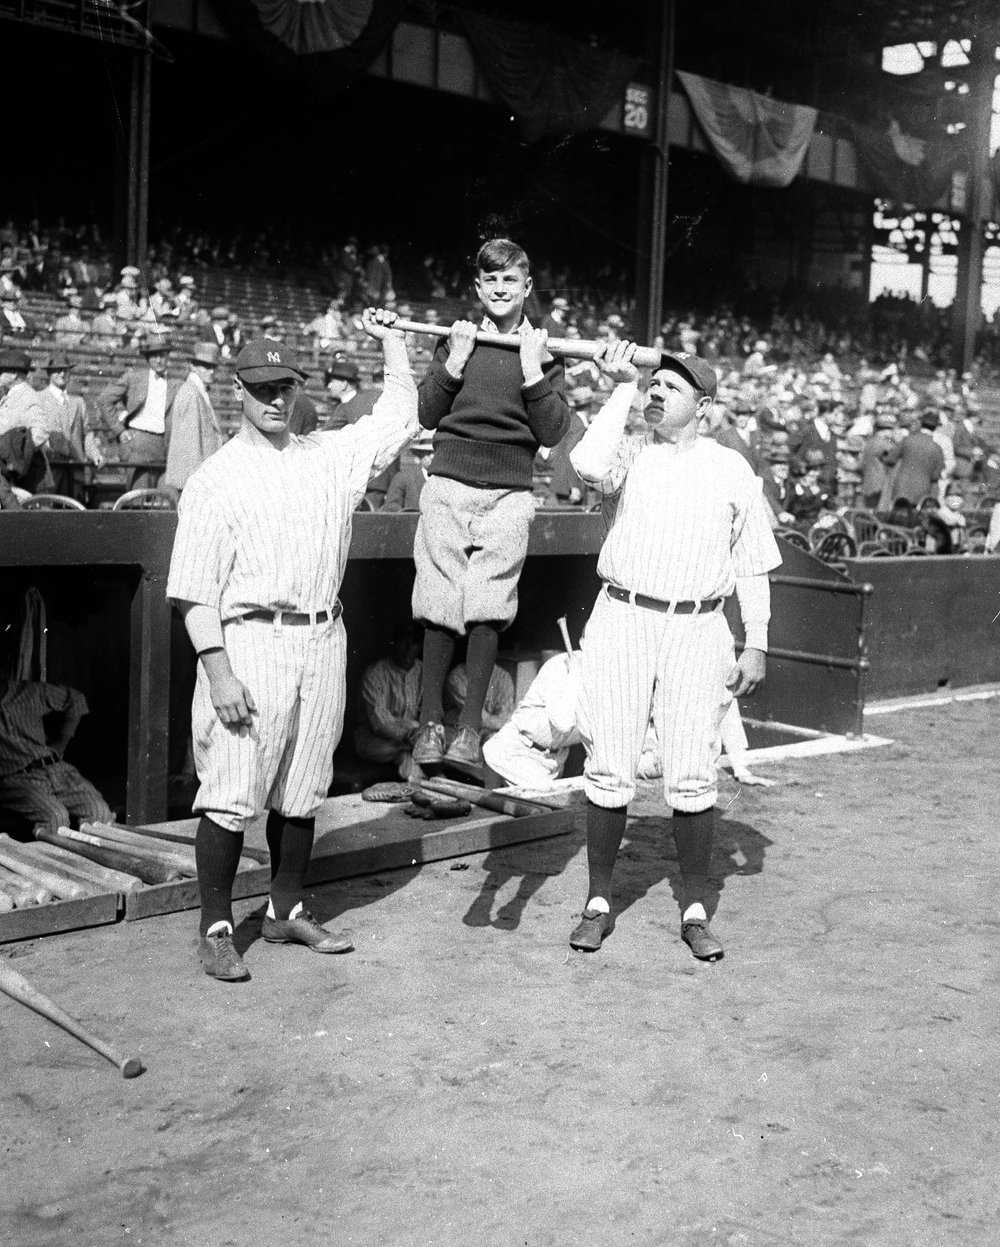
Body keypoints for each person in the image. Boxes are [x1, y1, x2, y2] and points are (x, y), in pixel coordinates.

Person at [166, 309, 418, 982]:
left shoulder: (329, 457)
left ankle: (285, 908)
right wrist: (217, 671)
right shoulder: (215, 478)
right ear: (239, 389)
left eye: (286, 387)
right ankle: (217, 927)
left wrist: (393, 340)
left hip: (321, 636)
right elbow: (193, 592)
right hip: (250, 639)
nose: (276, 399)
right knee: (230, 787)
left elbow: (398, 415)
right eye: (262, 387)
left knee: (304, 784)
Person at [566, 341, 781, 961]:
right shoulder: (629, 451)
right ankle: (598, 902)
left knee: (692, 769)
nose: (657, 392)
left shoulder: (731, 468)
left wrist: (758, 643)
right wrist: (623, 387)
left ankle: (693, 908)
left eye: (672, 387)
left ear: (704, 406)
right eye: (653, 385)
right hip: (624, 615)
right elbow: (584, 465)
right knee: (610, 759)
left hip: (698, 625)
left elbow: (754, 568)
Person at [410, 238, 570, 781]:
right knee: (439, 599)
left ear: (527, 288)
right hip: (449, 480)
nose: (501, 290)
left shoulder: (545, 351)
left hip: (509, 490)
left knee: (487, 603)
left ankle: (469, 730)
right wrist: (453, 361)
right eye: (491, 281)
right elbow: (428, 414)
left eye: (512, 281)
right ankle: (431, 724)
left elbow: (552, 431)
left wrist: (531, 370)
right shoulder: (457, 340)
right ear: (479, 289)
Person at [0, 667, 114, 834]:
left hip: (57, 769)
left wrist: (62, 739)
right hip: (18, 780)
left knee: (100, 813)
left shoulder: (31, 691)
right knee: (56, 818)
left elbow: (77, 700)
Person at [353, 625, 423, 779]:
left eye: (414, 643)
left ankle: (416, 787)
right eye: (403, 642)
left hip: (412, 741)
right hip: (375, 740)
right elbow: (380, 724)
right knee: (402, 749)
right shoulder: (375, 673)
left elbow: (426, 714)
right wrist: (411, 734)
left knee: (409, 754)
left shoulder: (423, 671)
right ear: (394, 643)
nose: (408, 648)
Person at [163, 341, 224, 496]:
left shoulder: (198, 391)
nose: (211, 371)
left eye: (213, 367)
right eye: (205, 366)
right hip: (196, 483)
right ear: (193, 366)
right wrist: (197, 485)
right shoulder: (190, 393)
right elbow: (189, 446)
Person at [443, 662, 515, 739]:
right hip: (456, 730)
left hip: (487, 732)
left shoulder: (503, 676)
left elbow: (505, 720)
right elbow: (477, 717)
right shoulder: (456, 677)